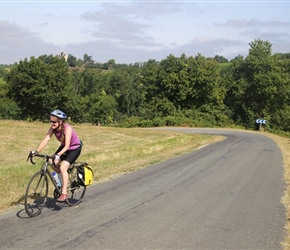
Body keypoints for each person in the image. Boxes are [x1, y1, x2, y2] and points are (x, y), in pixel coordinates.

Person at [33, 109, 82, 202]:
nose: (52, 124)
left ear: (60, 122)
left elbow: (67, 145)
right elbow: (46, 139)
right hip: (64, 147)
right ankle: (63, 180)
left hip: (74, 148)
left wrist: (58, 155)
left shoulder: (67, 128)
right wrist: (36, 151)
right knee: (51, 161)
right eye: (50, 121)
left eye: (54, 122)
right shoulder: (53, 129)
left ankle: (64, 193)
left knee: (63, 167)